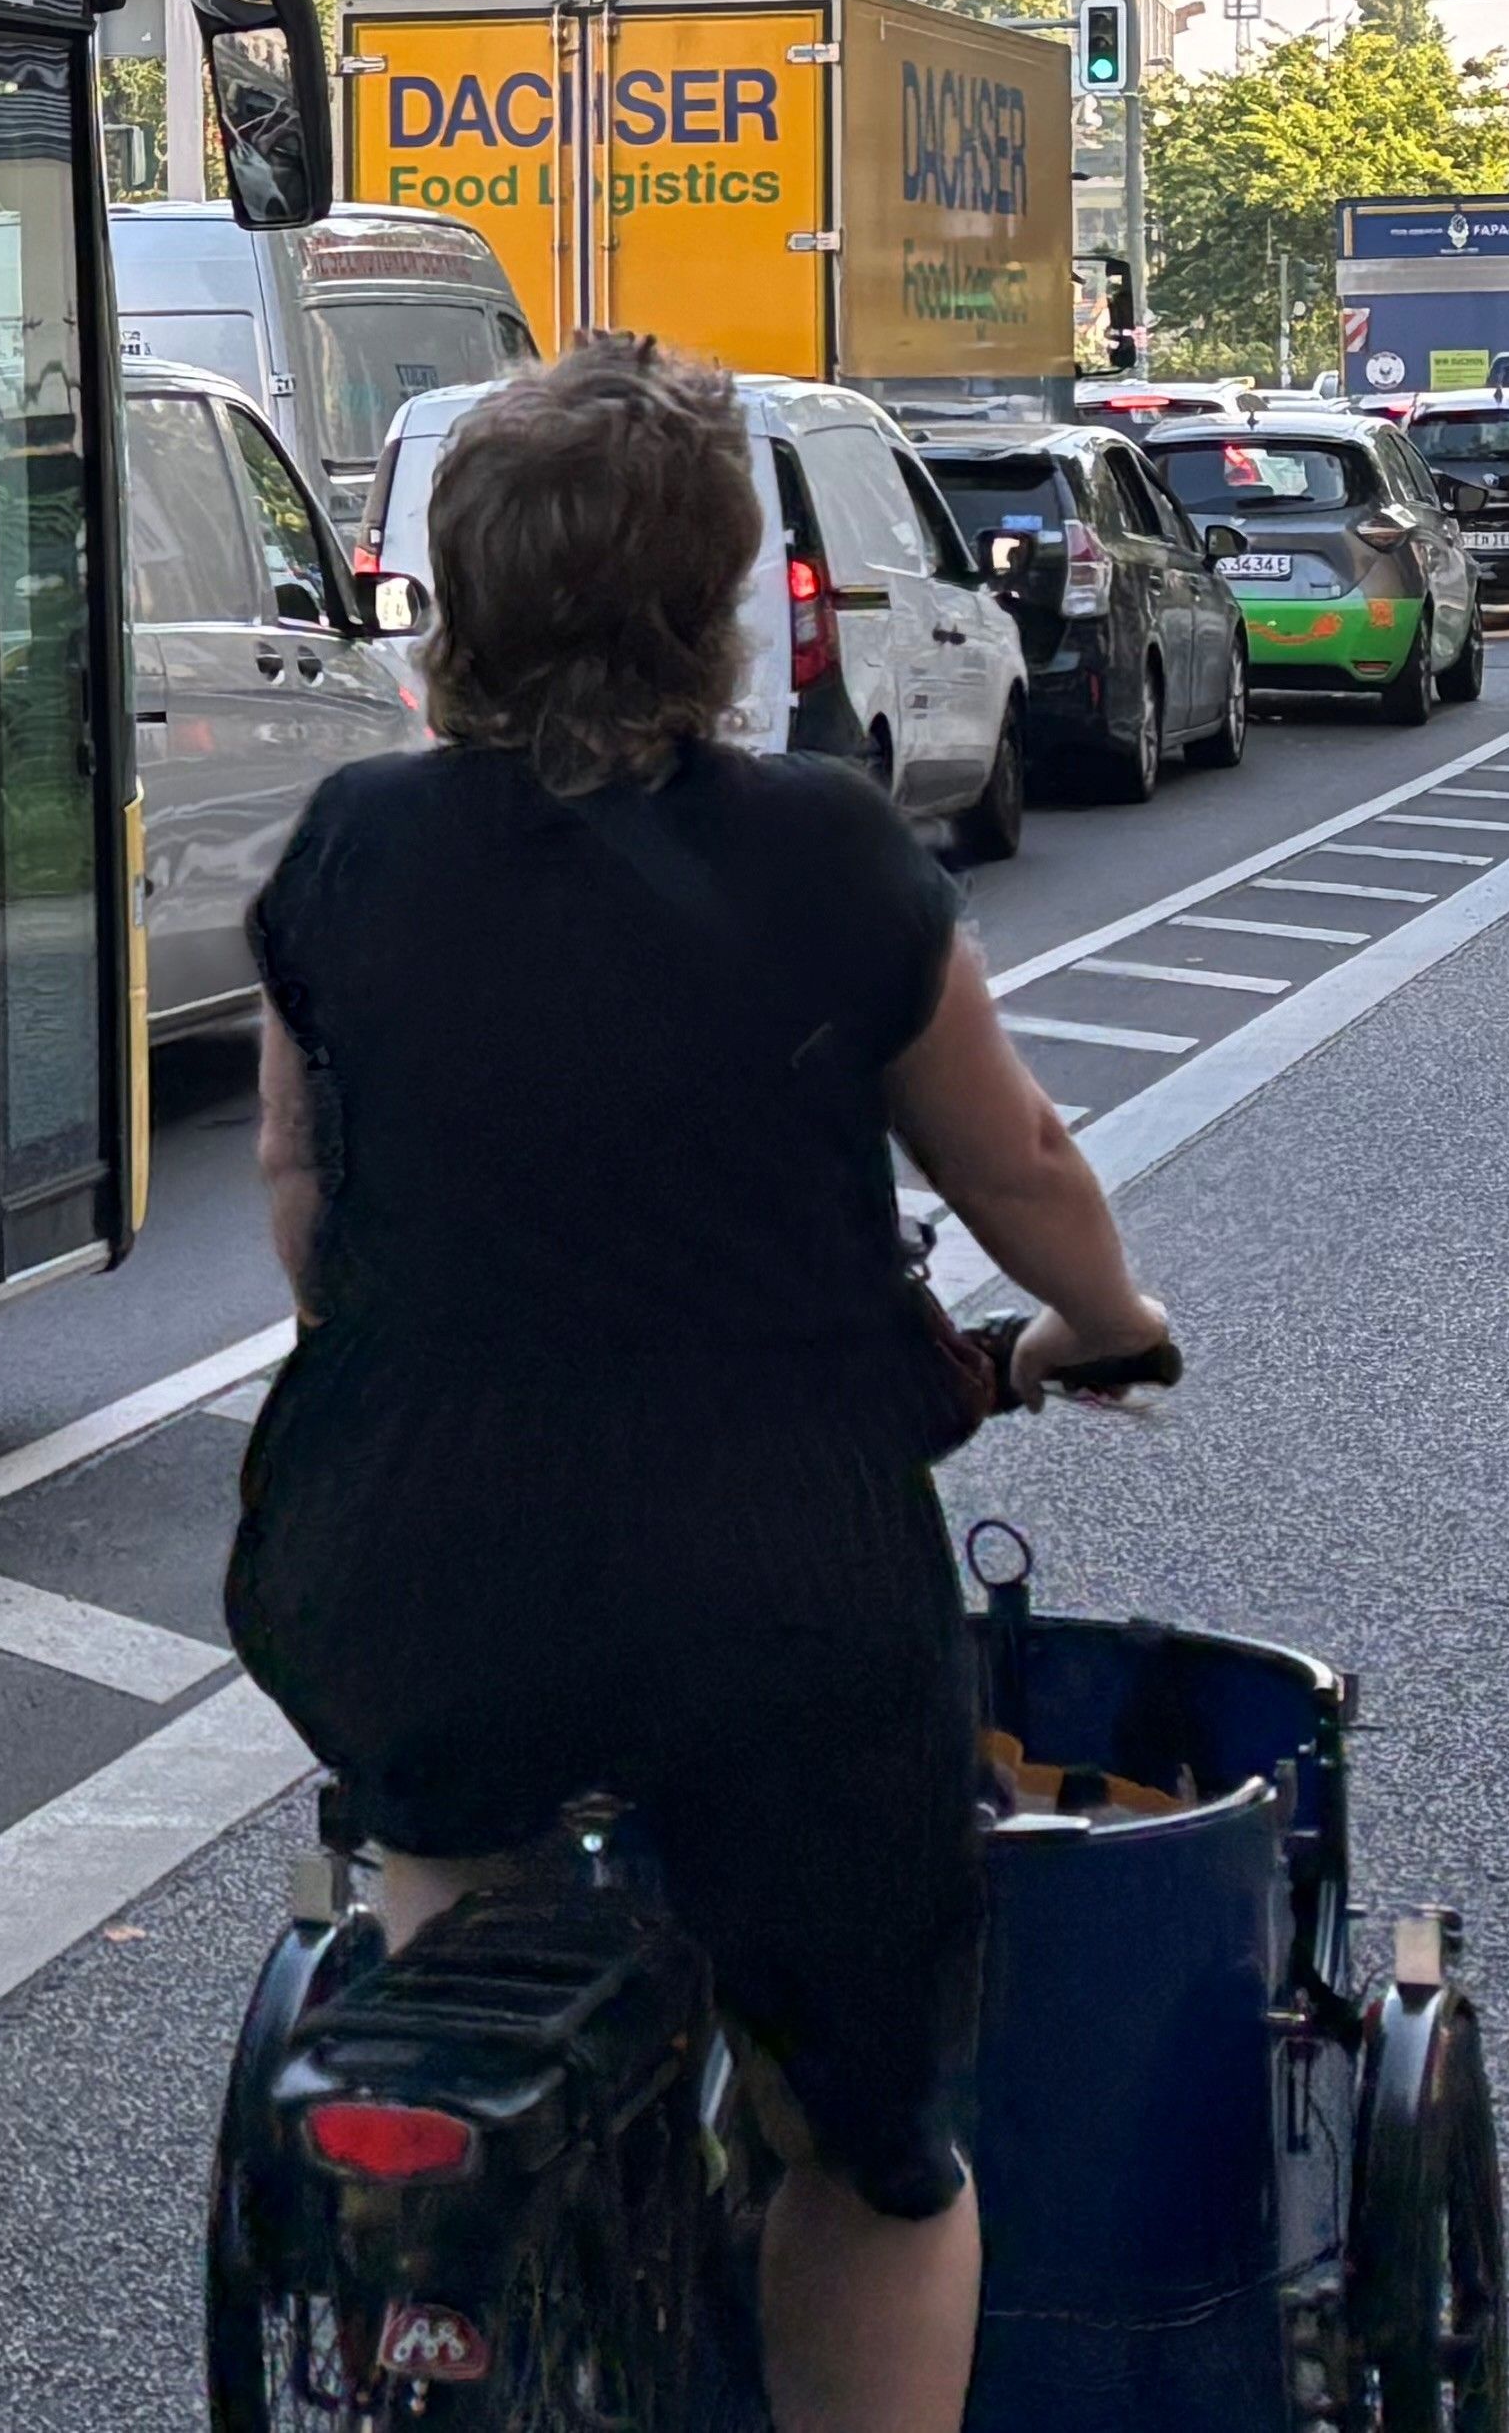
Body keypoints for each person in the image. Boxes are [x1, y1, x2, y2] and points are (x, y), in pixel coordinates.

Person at [227, 340, 1175, 2433]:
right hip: (774, 1585)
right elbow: (1009, 1163)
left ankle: (436, 2248)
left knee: (450, 1902)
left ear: (456, 599)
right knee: (876, 2144)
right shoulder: (827, 856)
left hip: (415, 1560)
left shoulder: (346, 855)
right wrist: (1100, 1323)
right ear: (717, 604)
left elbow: (306, 1210)